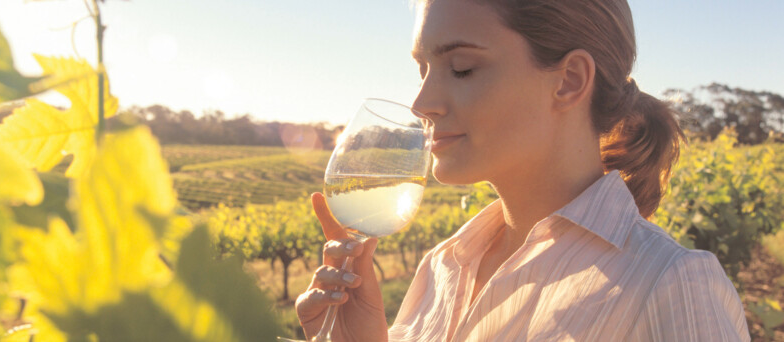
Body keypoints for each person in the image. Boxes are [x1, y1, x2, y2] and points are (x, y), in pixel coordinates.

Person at [294, 0, 751, 341]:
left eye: (461, 68)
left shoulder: (669, 283)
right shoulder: (442, 269)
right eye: (423, 69)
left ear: (569, 80)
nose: (422, 103)